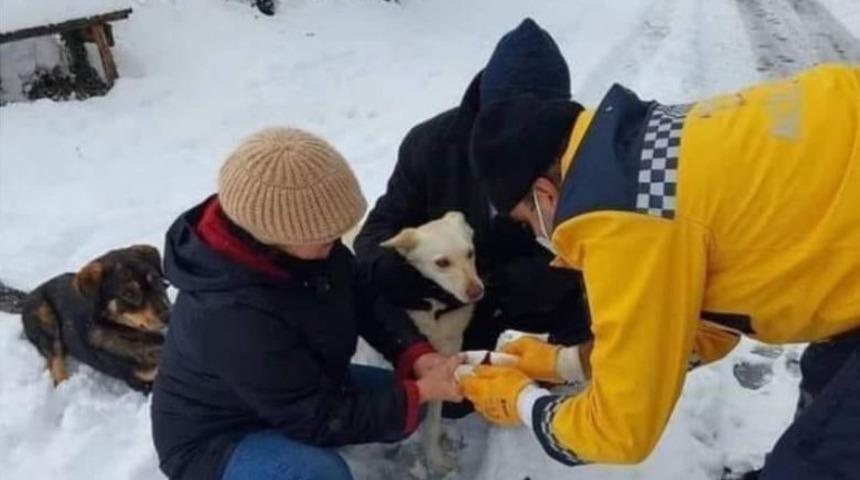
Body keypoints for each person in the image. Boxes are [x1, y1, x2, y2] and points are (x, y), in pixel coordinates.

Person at [459, 63, 860, 479]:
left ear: (543, 194)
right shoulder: (632, 155)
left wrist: (521, 400)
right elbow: (699, 326)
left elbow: (619, 432)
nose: (536, 234)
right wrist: (566, 364)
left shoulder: (622, 220)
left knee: (817, 464)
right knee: (829, 387)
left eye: (526, 220)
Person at [151, 128, 463, 480]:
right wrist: (420, 391)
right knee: (320, 474)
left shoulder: (304, 250)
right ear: (275, 234)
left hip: (300, 386)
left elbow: (360, 293)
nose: (337, 239)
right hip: (217, 437)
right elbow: (314, 416)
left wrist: (415, 353)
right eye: (326, 235)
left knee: (405, 405)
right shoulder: (229, 314)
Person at [354, 19, 592, 417]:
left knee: (582, 338)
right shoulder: (432, 146)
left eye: (537, 126)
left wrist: (501, 285)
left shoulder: (579, 155)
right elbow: (376, 232)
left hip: (529, 295)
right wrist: (407, 275)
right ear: (482, 109)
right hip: (449, 301)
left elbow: (592, 256)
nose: (520, 140)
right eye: (505, 125)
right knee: (455, 402)